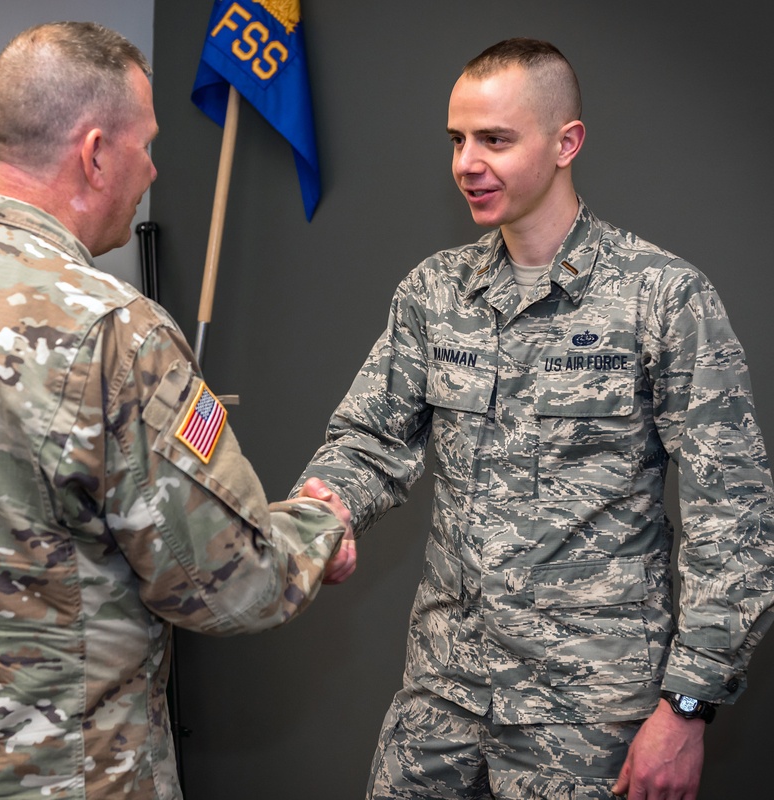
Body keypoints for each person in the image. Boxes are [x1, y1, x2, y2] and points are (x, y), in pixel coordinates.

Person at [0, 21, 354, 800]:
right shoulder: (118, 332)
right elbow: (229, 582)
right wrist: (319, 530)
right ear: (95, 152)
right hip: (55, 778)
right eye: (145, 144)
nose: (152, 168)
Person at [295, 37, 774, 799]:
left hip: (590, 715)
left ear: (565, 143)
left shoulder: (662, 297)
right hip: (443, 697)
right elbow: (370, 440)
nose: (466, 163)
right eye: (457, 139)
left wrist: (687, 707)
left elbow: (735, 514)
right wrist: (327, 501)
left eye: (495, 139)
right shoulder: (434, 292)